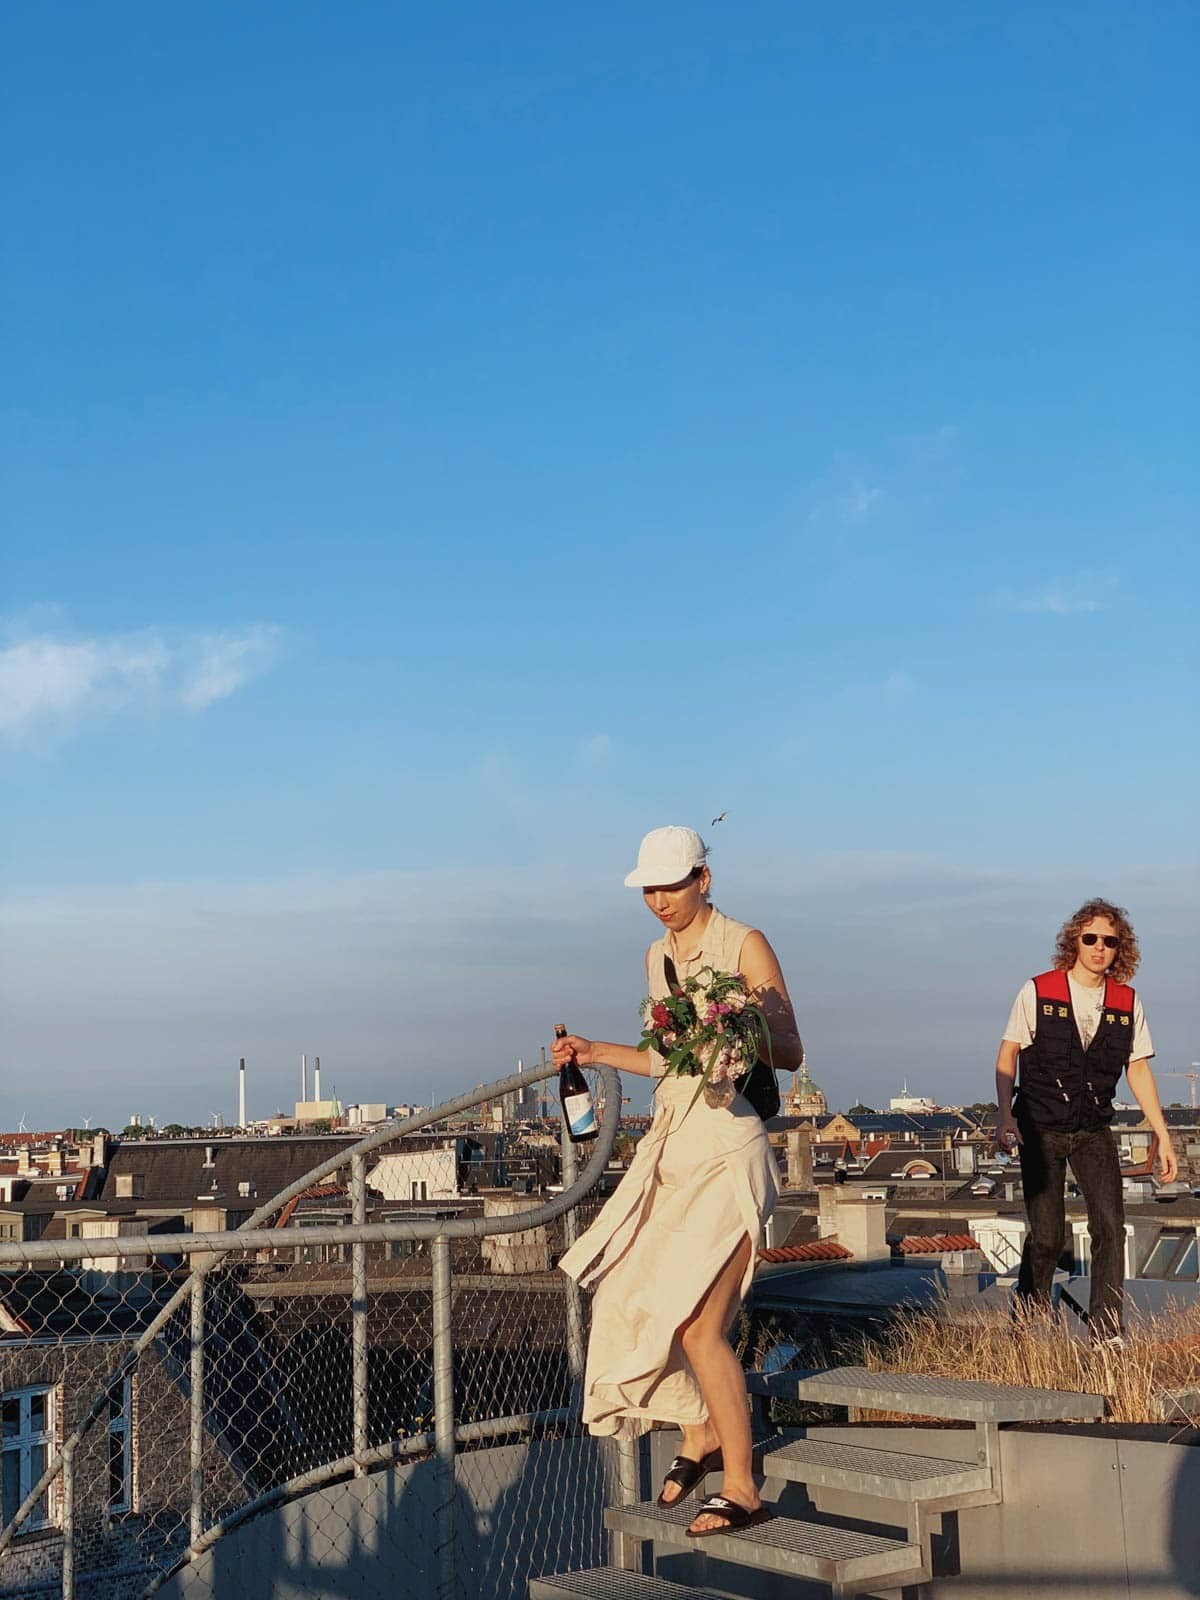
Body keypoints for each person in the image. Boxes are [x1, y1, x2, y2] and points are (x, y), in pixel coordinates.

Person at [554, 826, 803, 1537]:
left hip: (729, 1150)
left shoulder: (743, 942)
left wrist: (740, 1028)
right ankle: (699, 1429)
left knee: (698, 1327)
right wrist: (592, 1050)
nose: (660, 900)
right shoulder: (657, 958)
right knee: (637, 1295)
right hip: (675, 1149)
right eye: (650, 889)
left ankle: (743, 1485)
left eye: (672, 884)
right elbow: (670, 1060)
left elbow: (789, 1049)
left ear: (704, 878)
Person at [994, 897, 1178, 1342]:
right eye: (1090, 937)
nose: (1099, 947)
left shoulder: (1127, 1002)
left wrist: (1163, 1135)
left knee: (1111, 1227)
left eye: (1109, 941)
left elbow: (1137, 1068)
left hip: (1093, 1129)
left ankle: (1107, 1330)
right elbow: (1008, 1055)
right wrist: (1004, 1116)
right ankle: (1031, 1311)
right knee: (1049, 1236)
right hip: (1040, 1127)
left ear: (1120, 949)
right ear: (1075, 940)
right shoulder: (1038, 990)